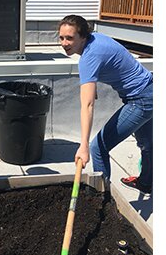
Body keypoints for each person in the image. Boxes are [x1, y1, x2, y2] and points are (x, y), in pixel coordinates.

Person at [58, 15, 153, 194]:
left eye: (70, 38)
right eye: (61, 37)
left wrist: (84, 145)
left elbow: (87, 106)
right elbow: (112, 62)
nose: (64, 43)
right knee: (148, 145)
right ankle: (147, 182)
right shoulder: (97, 39)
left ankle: (101, 197)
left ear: (83, 37)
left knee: (98, 147)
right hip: (151, 89)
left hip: (141, 100)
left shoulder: (89, 57)